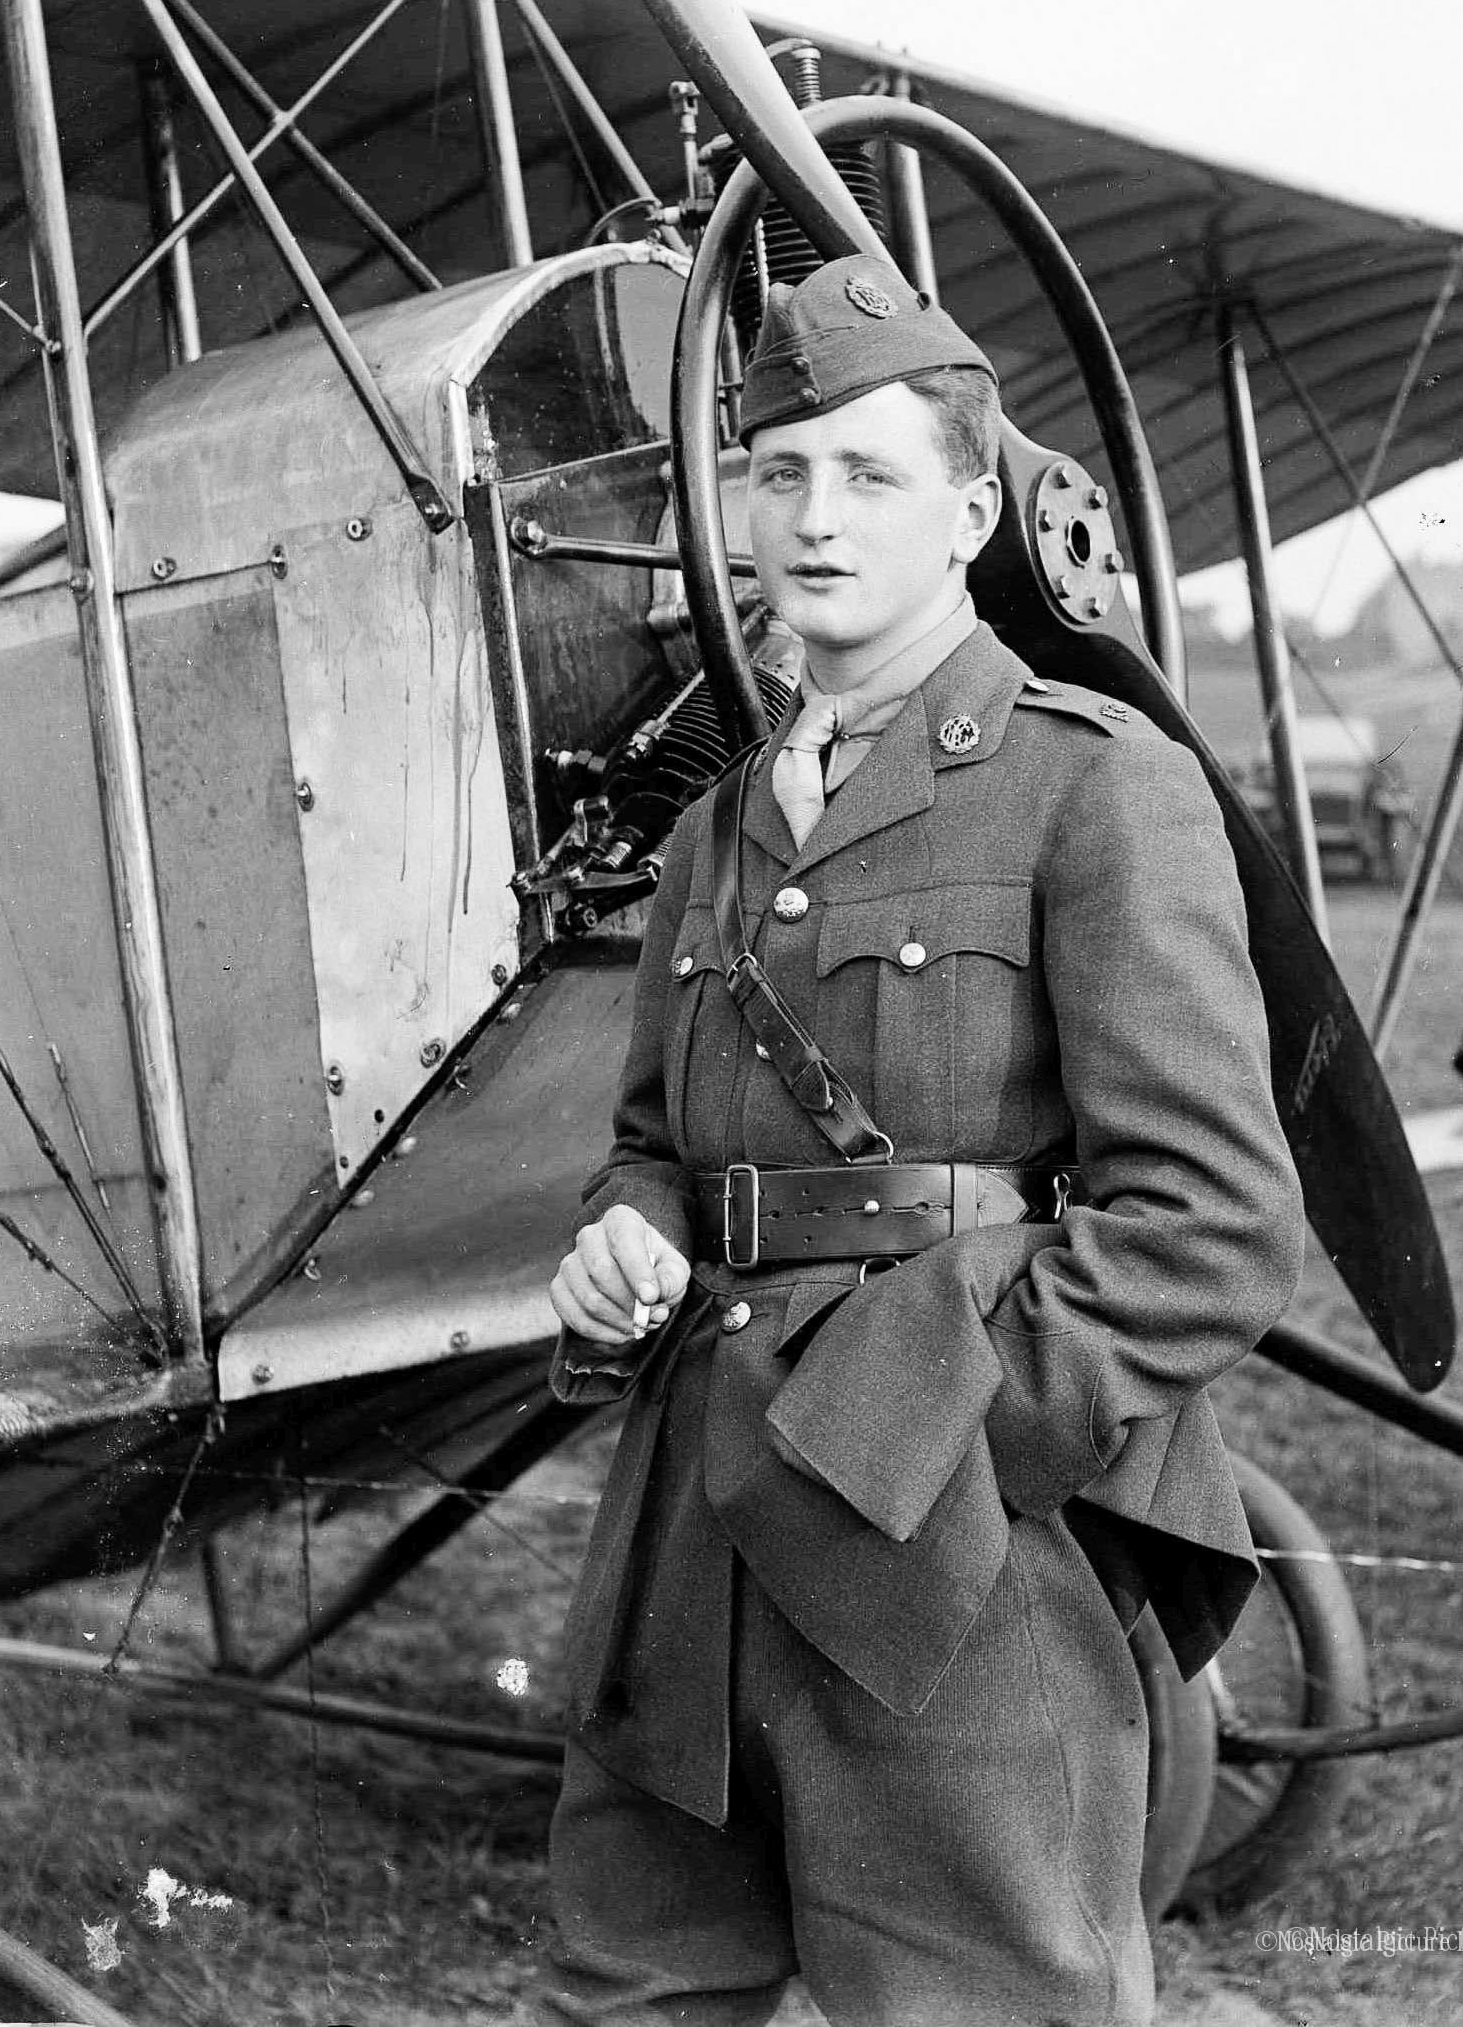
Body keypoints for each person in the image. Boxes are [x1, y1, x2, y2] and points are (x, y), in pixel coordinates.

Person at [541, 254, 1305, 2026]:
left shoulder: (1091, 779)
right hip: (689, 1542)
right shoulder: (715, 828)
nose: (813, 517)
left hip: (952, 1546)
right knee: (623, 1992)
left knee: (982, 2004)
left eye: (868, 475)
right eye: (777, 471)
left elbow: (1209, 1229)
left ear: (969, 512)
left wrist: (946, 1444)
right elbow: (655, 1141)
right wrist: (623, 1234)